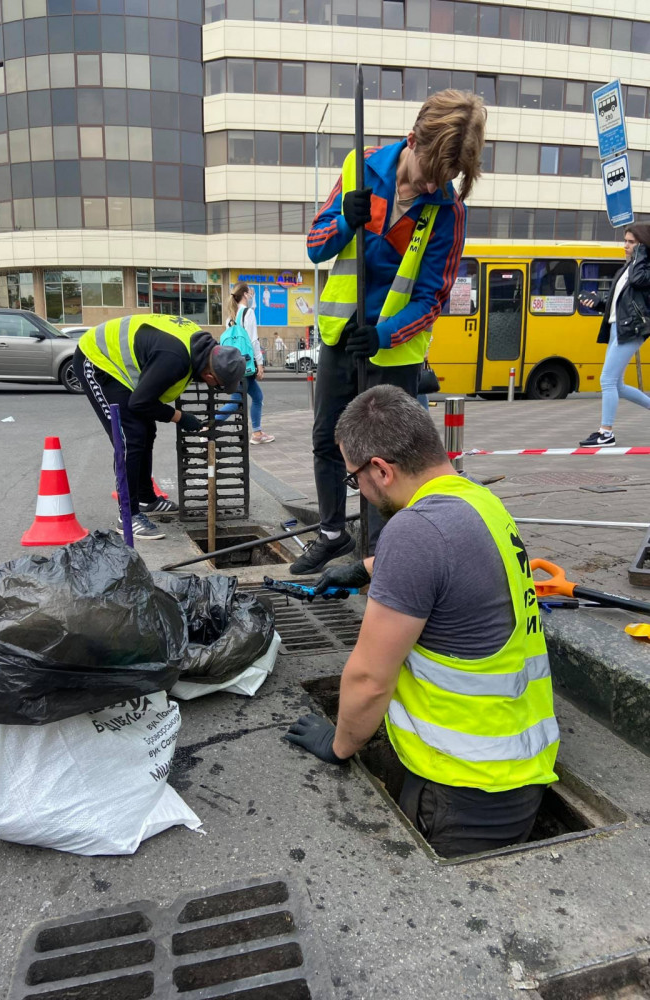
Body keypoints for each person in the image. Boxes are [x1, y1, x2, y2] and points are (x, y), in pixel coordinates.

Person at [286, 385, 559, 858]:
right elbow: (457, 563)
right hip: (515, 776)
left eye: (355, 480)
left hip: (460, 795)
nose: (361, 492)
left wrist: (340, 744)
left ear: (381, 470)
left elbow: (370, 679)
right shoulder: (479, 501)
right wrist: (365, 568)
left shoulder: (413, 531)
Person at [291, 89, 487, 575]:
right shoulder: (361, 169)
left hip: (393, 353)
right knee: (327, 440)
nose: (429, 189)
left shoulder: (447, 210)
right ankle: (333, 535)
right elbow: (316, 247)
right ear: (413, 138)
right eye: (427, 177)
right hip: (341, 336)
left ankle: (381, 559)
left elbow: (432, 299)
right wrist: (343, 220)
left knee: (387, 460)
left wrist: (385, 334)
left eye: (443, 182)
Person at [74, 315, 245, 539]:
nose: (217, 388)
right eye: (219, 385)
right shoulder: (175, 359)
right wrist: (180, 417)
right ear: (210, 374)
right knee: (131, 437)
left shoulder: (199, 347)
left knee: (147, 429)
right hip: (98, 360)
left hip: (123, 369)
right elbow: (140, 402)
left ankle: (146, 499)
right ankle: (128, 515)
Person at [578, 224, 650, 447]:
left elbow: (639, 281)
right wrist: (598, 303)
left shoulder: (643, 268)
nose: (626, 246)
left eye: (631, 242)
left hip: (631, 330)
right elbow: (618, 304)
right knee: (616, 385)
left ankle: (606, 432)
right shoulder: (626, 268)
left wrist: (641, 254)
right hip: (616, 327)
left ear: (643, 245)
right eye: (625, 241)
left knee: (606, 380)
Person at [220, 282, 275, 445]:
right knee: (238, 402)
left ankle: (257, 432)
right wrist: (260, 364)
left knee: (254, 397)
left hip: (233, 365)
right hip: (246, 365)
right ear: (245, 294)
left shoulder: (230, 317)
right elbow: (253, 341)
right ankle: (207, 427)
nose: (251, 296)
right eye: (250, 293)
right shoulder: (248, 313)